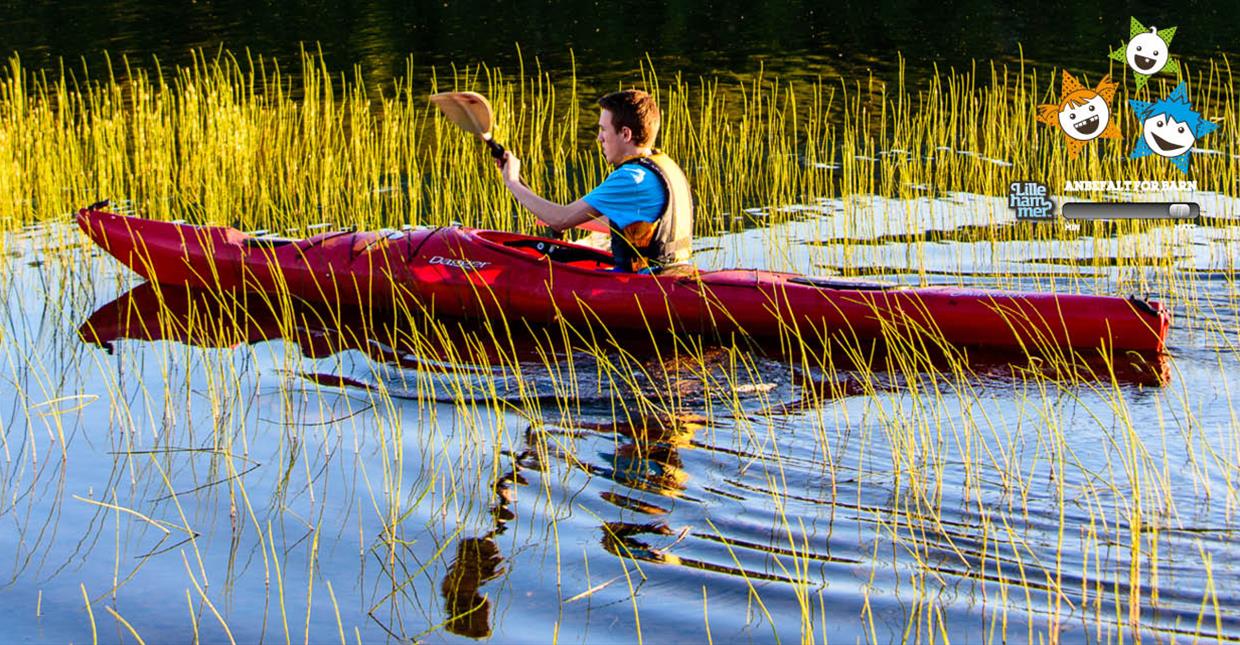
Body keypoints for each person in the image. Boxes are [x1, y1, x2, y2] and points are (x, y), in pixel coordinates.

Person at [496, 89, 693, 274]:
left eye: (603, 130)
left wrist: (512, 181)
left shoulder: (630, 177)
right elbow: (632, 222)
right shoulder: (664, 166)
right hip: (675, 273)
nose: (599, 138)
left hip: (648, 284)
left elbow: (560, 219)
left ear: (625, 134)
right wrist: (586, 234)